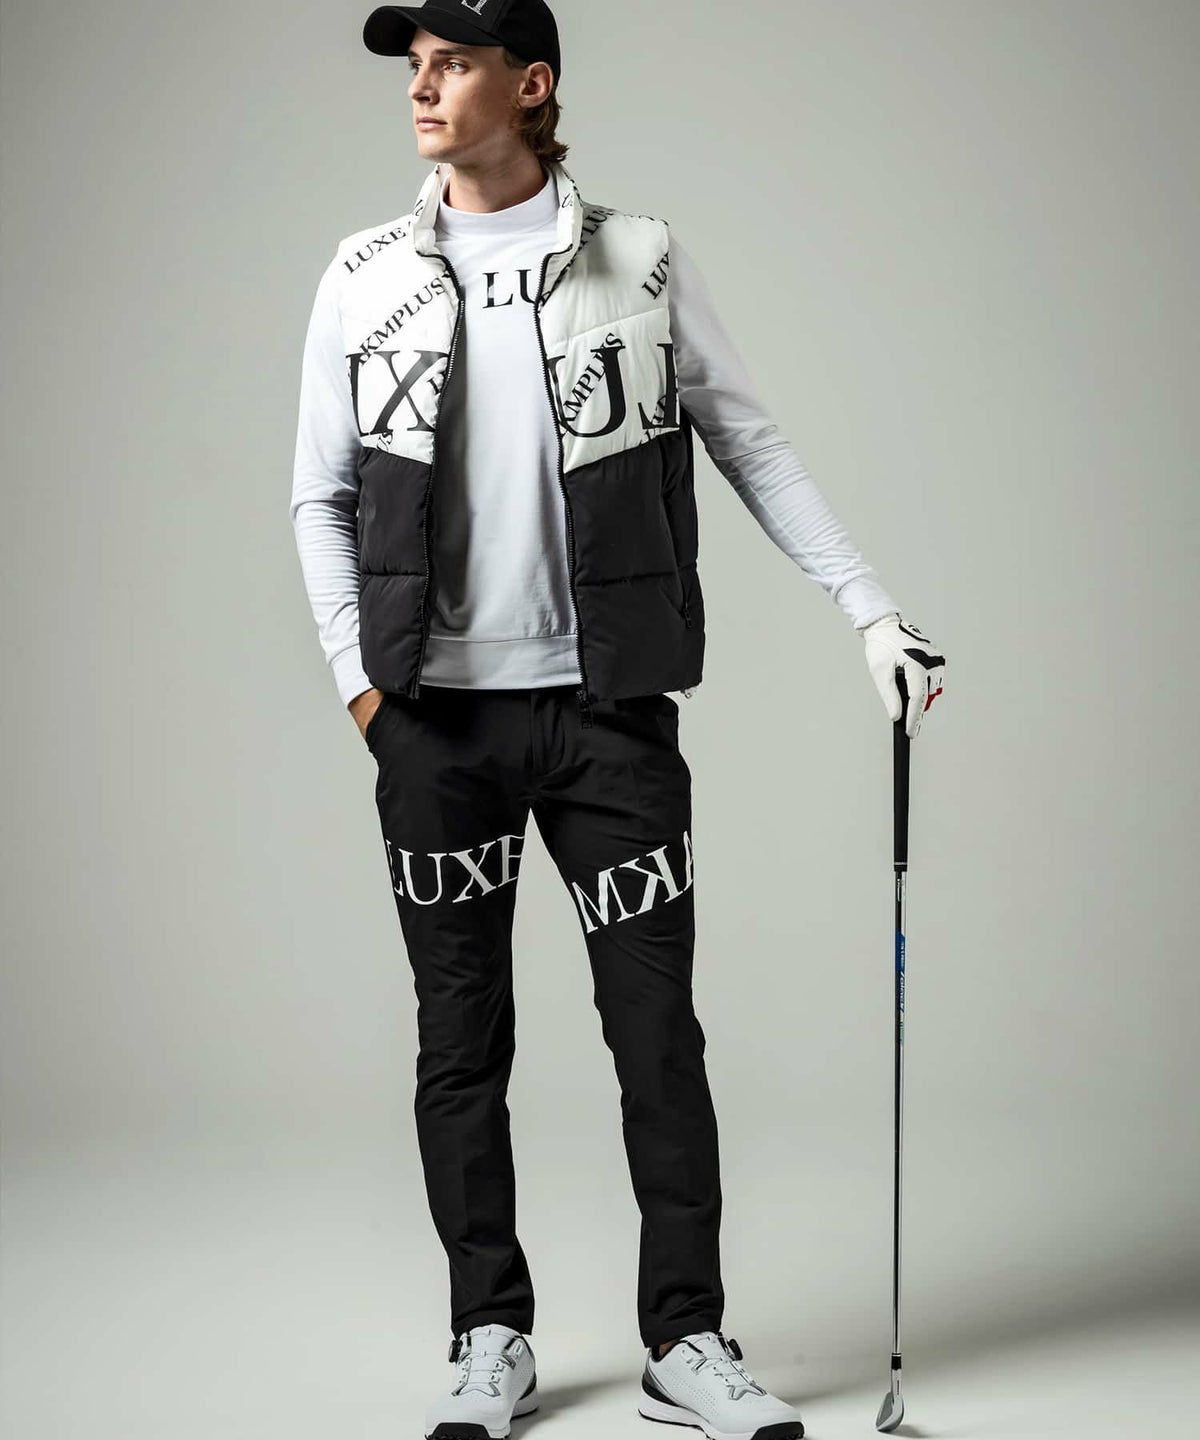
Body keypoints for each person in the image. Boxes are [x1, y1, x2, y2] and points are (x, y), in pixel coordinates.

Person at [289, 3, 947, 1437]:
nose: (424, 87)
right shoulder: (363, 272)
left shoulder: (637, 258)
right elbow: (318, 494)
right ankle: (489, 1334)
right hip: (434, 724)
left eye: (455, 63)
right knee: (460, 1043)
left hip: (608, 717)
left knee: (658, 1038)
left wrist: (870, 609)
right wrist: (365, 693)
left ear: (531, 83)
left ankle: (686, 1340)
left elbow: (749, 439)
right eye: (416, 67)